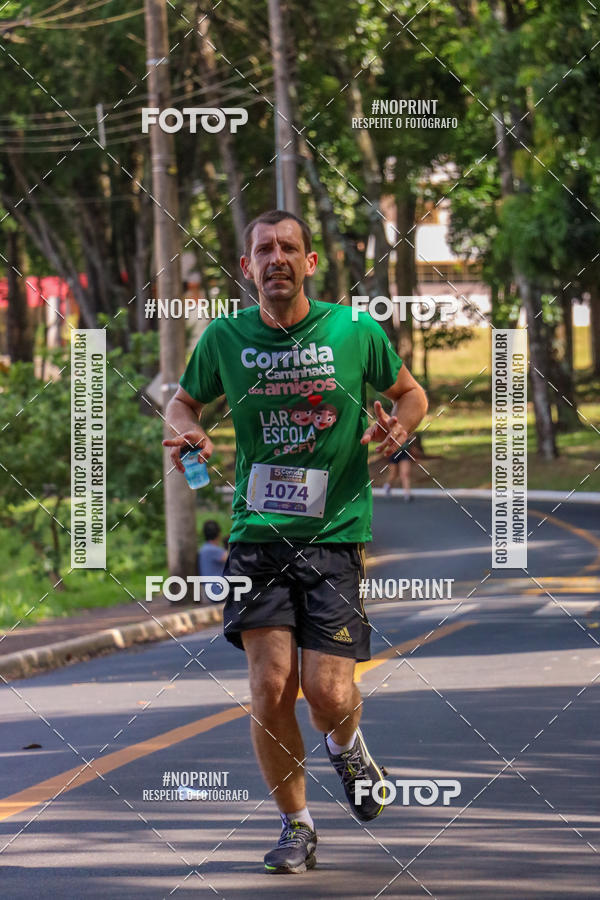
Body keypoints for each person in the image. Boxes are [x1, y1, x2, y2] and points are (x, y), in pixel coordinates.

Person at [164, 209, 428, 874]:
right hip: (258, 535)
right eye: (263, 249)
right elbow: (183, 404)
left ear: (311, 263)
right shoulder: (224, 338)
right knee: (269, 688)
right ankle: (296, 825)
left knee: (329, 694)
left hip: (336, 534)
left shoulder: (354, 329)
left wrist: (399, 426)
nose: (276, 258)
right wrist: (186, 432)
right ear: (247, 266)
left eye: (289, 247)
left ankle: (348, 745)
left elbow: (411, 394)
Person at [382, 431, 423, 501]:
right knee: (393, 474)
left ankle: (407, 494)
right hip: (393, 452)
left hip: (404, 453)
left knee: (405, 474)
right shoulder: (393, 425)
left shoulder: (408, 426)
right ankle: (388, 485)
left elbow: (411, 436)